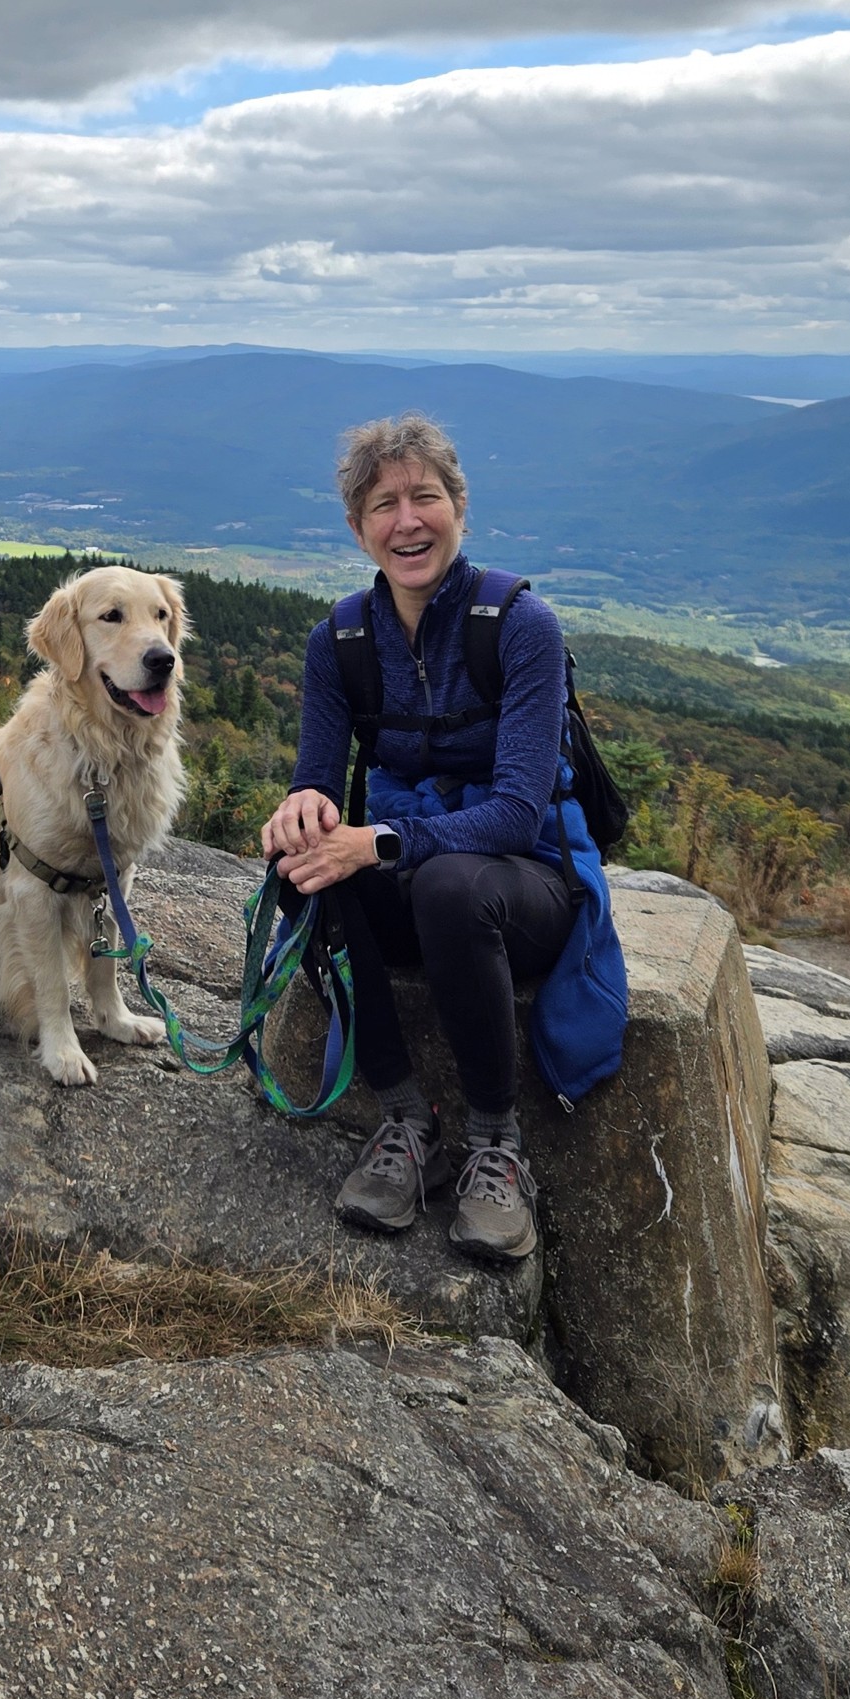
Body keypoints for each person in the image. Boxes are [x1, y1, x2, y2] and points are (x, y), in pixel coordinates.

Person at [261, 412, 586, 1262]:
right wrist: (301, 816)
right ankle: (407, 1120)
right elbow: (318, 783)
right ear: (358, 528)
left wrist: (379, 842)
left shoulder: (520, 626)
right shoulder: (340, 644)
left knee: (447, 884)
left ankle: (495, 1143)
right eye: (383, 505)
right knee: (310, 870)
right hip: (421, 892)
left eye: (424, 497)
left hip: (523, 892)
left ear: (459, 508)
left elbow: (517, 814)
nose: (406, 521)